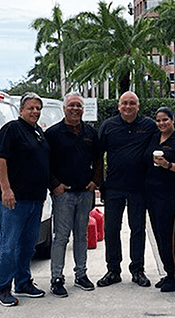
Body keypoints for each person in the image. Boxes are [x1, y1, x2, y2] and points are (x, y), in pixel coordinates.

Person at [0, 92, 51, 307]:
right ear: (21, 110)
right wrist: (6, 190)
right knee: (8, 245)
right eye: (31, 108)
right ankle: (2, 288)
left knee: (27, 246)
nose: (35, 111)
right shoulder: (11, 129)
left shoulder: (37, 132)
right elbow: (0, 159)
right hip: (14, 200)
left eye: (38, 108)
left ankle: (23, 283)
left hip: (35, 200)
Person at [44, 93, 103, 298]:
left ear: (83, 109)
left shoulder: (90, 133)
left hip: (85, 193)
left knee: (82, 236)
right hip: (63, 194)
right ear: (64, 108)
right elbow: (46, 163)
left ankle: (81, 275)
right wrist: (55, 185)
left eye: (78, 105)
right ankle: (57, 278)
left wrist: (95, 181)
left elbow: (98, 159)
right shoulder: (53, 133)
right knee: (61, 237)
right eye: (71, 105)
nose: (75, 109)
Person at [97, 91, 157, 288]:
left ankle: (137, 270)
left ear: (138, 106)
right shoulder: (107, 126)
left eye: (132, 103)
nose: (128, 106)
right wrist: (98, 182)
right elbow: (98, 156)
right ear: (118, 105)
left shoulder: (148, 125)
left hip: (139, 187)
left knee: (137, 229)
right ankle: (113, 270)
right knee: (111, 229)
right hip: (113, 187)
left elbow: (163, 139)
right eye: (124, 103)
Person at [144, 107, 175, 292]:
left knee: (170, 234)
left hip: (172, 192)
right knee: (158, 233)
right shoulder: (154, 138)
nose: (162, 123)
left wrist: (168, 165)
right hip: (153, 192)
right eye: (159, 120)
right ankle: (169, 271)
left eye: (165, 120)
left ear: (173, 121)